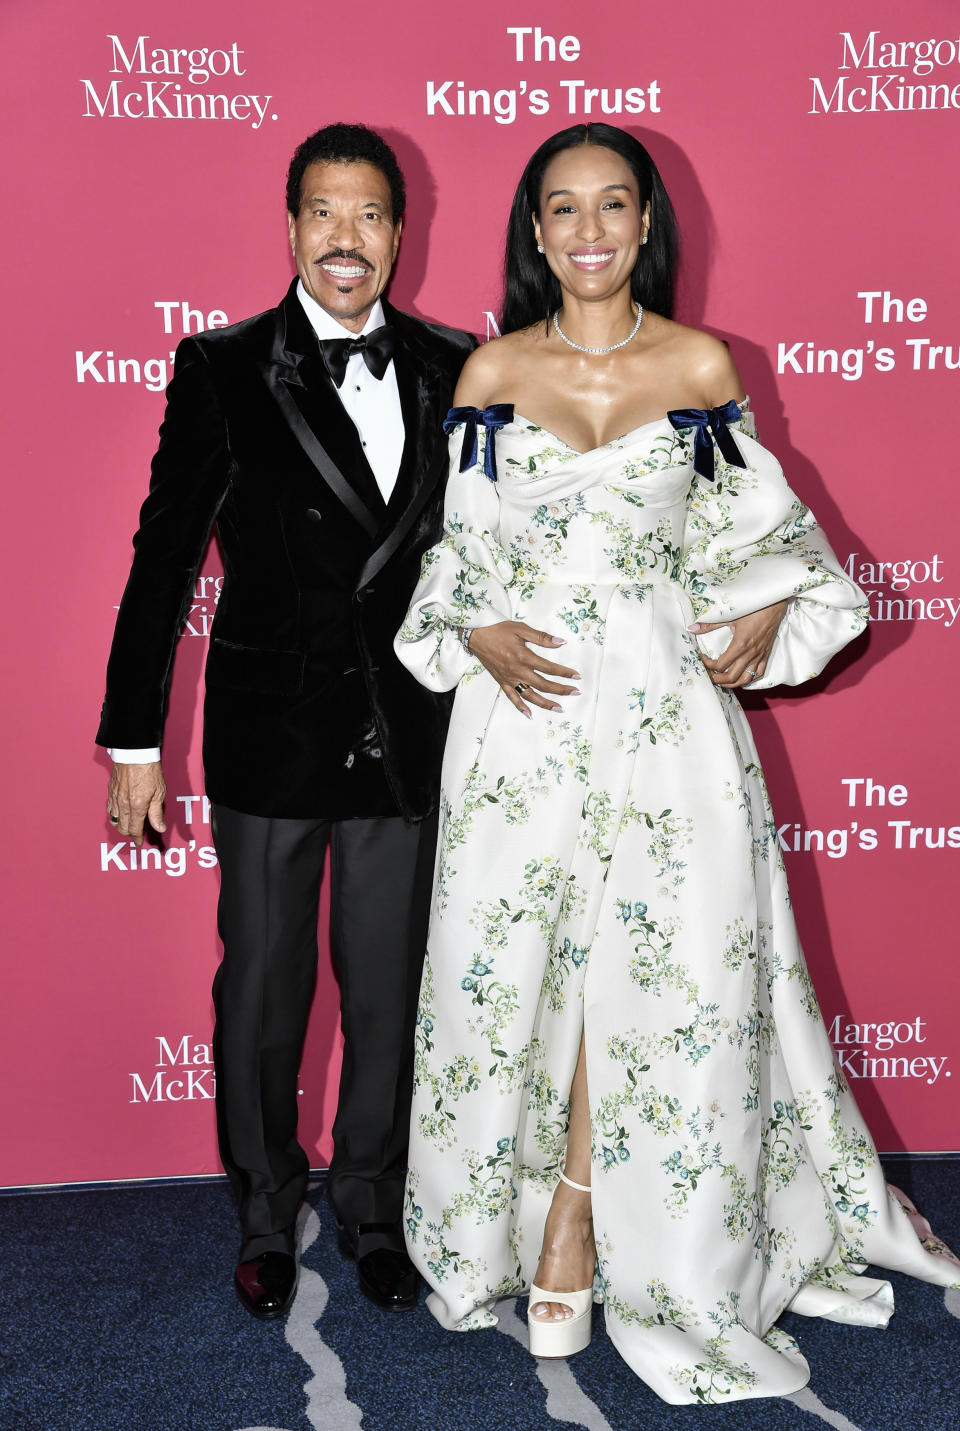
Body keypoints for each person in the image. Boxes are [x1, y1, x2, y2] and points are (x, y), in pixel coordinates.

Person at [393, 122, 958, 1403]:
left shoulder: (702, 367)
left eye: (612, 206)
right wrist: (472, 622)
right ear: (534, 233)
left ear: (647, 224)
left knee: (658, 976)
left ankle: (577, 1229)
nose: (588, 230)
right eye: (562, 209)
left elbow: (770, 539)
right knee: (527, 968)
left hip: (661, 711)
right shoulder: (488, 375)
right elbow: (457, 549)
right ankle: (521, 1219)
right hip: (521, 716)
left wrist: (760, 613)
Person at [97, 123, 475, 1321]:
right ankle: (264, 1212)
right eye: (323, 212)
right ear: (292, 225)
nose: (346, 238)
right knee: (261, 992)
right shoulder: (222, 366)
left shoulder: (457, 364)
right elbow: (162, 561)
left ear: (401, 232)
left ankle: (372, 1206)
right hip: (271, 733)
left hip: (406, 734)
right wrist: (135, 741)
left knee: (387, 989)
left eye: (369, 215)